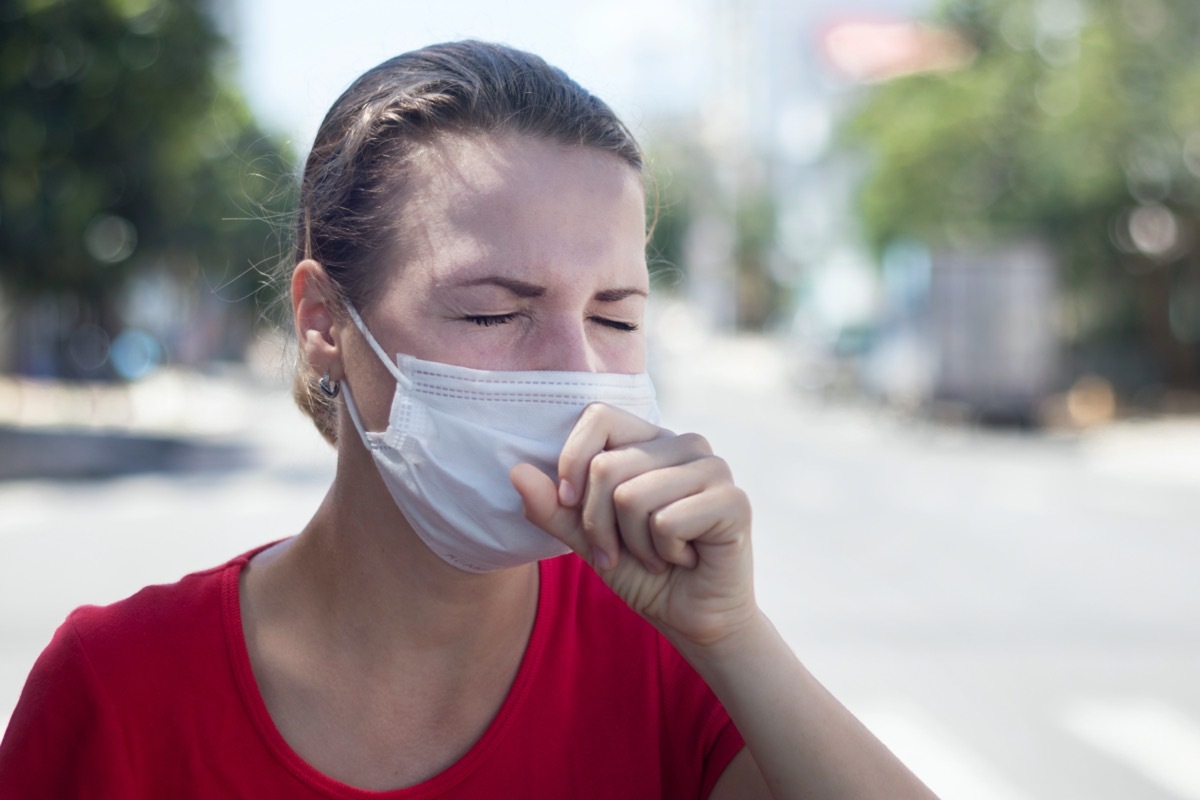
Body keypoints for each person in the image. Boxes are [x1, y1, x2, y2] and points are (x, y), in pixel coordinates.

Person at [0, 41, 938, 799]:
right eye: (493, 313)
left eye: (616, 316)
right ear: (324, 322)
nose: (579, 375)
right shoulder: (118, 687)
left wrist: (737, 639)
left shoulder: (672, 664)